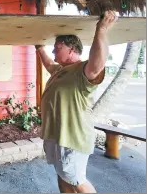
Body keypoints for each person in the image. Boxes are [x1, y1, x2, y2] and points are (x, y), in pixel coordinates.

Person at [36, 10, 117, 193]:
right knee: (62, 175)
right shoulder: (60, 70)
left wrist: (101, 30)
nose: (53, 50)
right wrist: (39, 48)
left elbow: (97, 65)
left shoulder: (82, 71)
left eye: (58, 47)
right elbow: (49, 64)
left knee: (76, 179)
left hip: (73, 136)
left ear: (71, 49)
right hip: (58, 135)